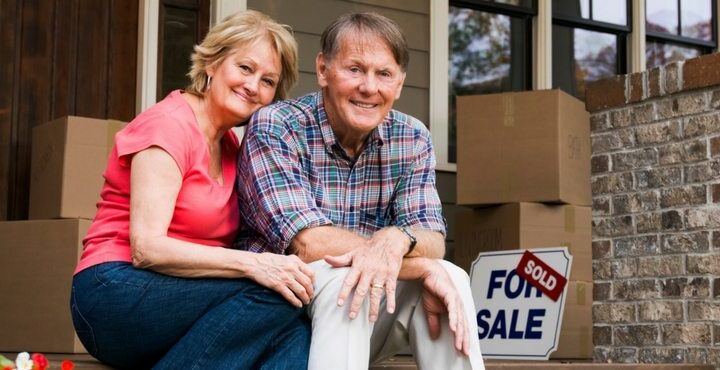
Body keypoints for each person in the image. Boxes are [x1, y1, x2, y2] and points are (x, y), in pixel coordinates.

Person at [236, 12, 485, 370]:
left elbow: (431, 237)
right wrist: (416, 266)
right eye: (354, 69)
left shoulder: (411, 138)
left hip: (360, 323)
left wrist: (397, 240)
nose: (369, 87)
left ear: (399, 84)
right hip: (279, 320)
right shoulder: (277, 126)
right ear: (323, 70)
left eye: (384, 74)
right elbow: (308, 243)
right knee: (352, 276)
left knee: (452, 277)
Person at [70, 10, 314, 370]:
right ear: (213, 63)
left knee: (294, 330)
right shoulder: (169, 125)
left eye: (268, 81)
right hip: (113, 291)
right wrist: (256, 265)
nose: (253, 86)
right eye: (245, 68)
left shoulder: (232, 146)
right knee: (276, 296)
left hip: (182, 301)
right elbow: (146, 248)